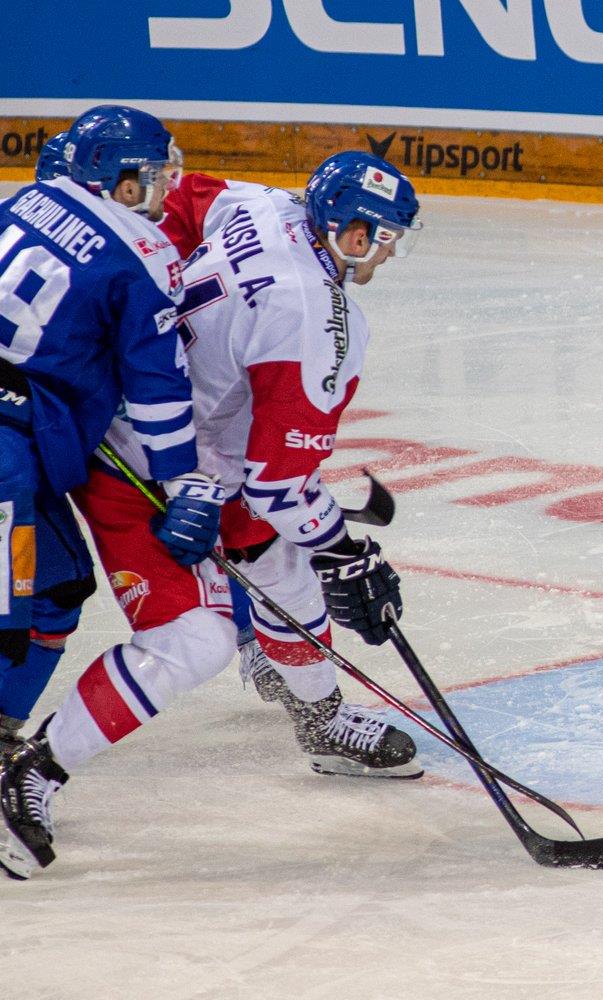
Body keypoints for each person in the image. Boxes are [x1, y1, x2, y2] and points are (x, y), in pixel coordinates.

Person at [0, 147, 425, 880]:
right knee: (196, 640)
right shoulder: (322, 327)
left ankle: (321, 722)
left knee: (285, 570)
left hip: (140, 426)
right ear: (353, 235)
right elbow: (278, 487)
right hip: (152, 471)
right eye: (382, 238)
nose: (385, 254)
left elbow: (177, 202)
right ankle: (35, 767)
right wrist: (345, 551)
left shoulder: (260, 202)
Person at [0, 105, 225, 878]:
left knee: (57, 587)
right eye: (155, 174)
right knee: (7, 609)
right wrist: (183, 481)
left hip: (16, 436)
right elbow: (159, 389)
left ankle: (10, 751)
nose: (164, 187)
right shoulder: (141, 250)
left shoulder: (23, 200)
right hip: (3, 454)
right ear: (120, 180)